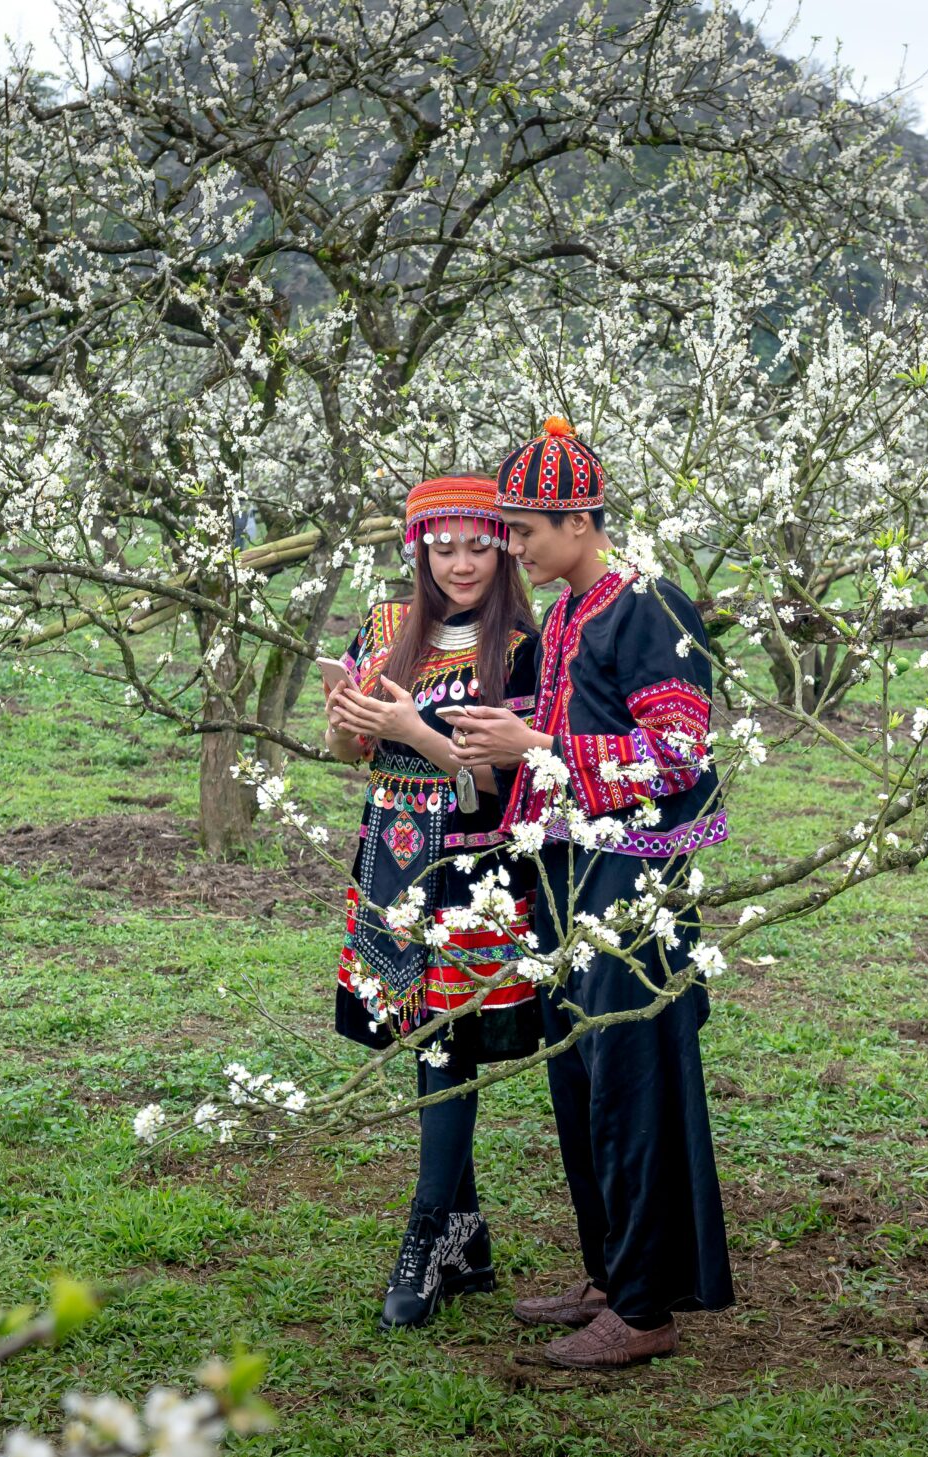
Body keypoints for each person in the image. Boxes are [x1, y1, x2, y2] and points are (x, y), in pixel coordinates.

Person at [446, 416, 733, 1370]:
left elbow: (681, 751)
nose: (512, 550)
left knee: (631, 1077)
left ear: (578, 519)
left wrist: (536, 746)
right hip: (572, 868)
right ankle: (611, 1274)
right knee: (582, 1073)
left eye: (524, 530)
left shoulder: (649, 605)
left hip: (636, 870)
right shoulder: (570, 611)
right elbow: (573, 736)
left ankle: (645, 1306)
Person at [323, 475, 543, 1330]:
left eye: (479, 544)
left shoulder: (521, 646)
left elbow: (501, 789)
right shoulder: (385, 631)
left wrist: (419, 732)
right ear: (419, 549)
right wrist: (350, 725)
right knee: (425, 1037)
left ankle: (426, 1237)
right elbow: (346, 749)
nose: (460, 563)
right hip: (390, 858)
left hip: (470, 868)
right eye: (442, 546)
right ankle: (468, 1237)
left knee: (447, 1045)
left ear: (503, 546)